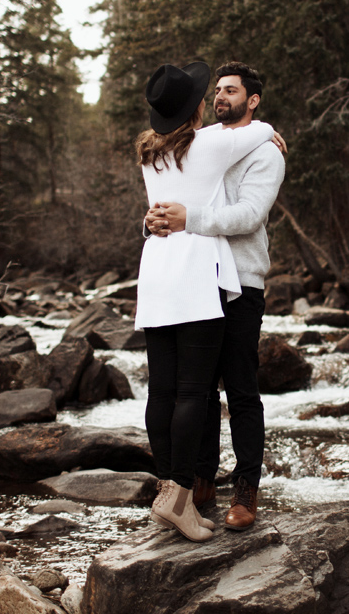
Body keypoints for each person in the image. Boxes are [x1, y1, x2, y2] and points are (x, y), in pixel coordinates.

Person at [135, 61, 278, 543]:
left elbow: (250, 214)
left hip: (230, 277)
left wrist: (178, 219)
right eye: (214, 91)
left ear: (251, 99)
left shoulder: (254, 151)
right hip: (199, 276)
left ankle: (243, 490)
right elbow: (166, 206)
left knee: (234, 389)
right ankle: (193, 486)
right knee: (193, 392)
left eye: (230, 90)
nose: (219, 97)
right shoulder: (209, 141)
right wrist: (157, 220)